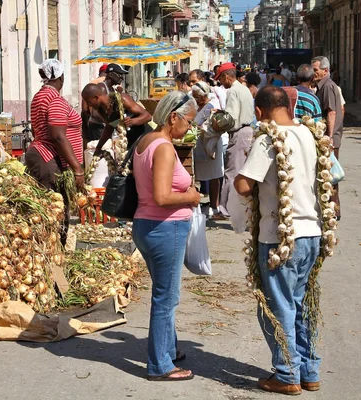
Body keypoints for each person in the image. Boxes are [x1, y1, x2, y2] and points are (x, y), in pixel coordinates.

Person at [234, 86, 323, 396]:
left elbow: (244, 184)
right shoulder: (309, 134)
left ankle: (287, 374)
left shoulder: (267, 138)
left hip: (280, 237)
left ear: (259, 112)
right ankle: (309, 370)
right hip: (311, 232)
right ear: (290, 106)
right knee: (300, 304)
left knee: (276, 306)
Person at [132, 91, 199, 381]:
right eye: (189, 121)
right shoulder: (163, 147)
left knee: (164, 291)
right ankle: (160, 364)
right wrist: (192, 196)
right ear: (173, 117)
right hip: (164, 227)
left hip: (148, 226)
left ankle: (168, 348)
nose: (190, 128)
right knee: (166, 297)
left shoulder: (145, 141)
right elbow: (161, 196)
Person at [26, 59, 84, 244]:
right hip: (48, 158)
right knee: (55, 210)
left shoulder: (39, 96)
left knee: (51, 208)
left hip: (42, 154)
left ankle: (54, 255)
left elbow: (37, 129)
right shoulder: (56, 100)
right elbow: (58, 136)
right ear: (61, 77)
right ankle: (54, 257)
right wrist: (77, 169)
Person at [215, 63, 256, 218]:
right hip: (247, 131)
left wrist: (218, 121)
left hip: (238, 133)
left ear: (227, 76)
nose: (221, 83)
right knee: (242, 171)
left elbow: (231, 117)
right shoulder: (244, 88)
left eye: (221, 79)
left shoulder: (233, 91)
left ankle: (224, 209)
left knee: (231, 172)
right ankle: (241, 207)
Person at [81, 83, 152, 154]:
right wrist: (99, 147)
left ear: (96, 97)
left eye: (89, 102)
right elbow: (110, 127)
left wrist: (133, 121)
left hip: (145, 138)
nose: (88, 105)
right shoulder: (101, 110)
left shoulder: (121, 99)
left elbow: (148, 116)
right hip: (131, 142)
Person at [312, 56, 343, 220]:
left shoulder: (328, 87)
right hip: (328, 137)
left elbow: (331, 112)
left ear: (325, 70)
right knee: (327, 175)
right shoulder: (322, 86)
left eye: (316, 70)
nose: (313, 73)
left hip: (329, 138)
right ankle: (331, 209)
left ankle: (333, 210)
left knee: (330, 175)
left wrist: (329, 137)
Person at [191, 82, 224, 217]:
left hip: (211, 145)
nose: (196, 100)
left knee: (213, 175)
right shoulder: (198, 107)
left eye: (197, 97)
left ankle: (214, 206)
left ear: (204, 95)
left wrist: (199, 127)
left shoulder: (212, 106)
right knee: (199, 175)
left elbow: (215, 127)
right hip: (199, 144)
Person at [81, 64, 109, 145]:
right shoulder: (111, 84)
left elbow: (85, 110)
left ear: (99, 72)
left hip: (95, 124)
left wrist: (86, 126)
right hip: (108, 124)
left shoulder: (91, 84)